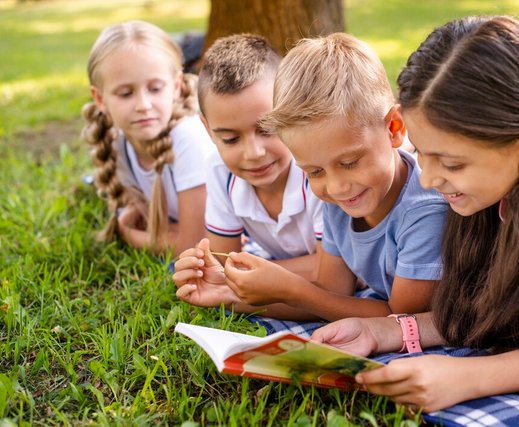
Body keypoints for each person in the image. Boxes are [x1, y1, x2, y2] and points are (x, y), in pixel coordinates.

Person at [311, 15, 519, 412]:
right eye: (422, 153)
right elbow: (478, 312)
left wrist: (463, 377)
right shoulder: (486, 189)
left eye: (450, 163)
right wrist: (378, 332)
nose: (429, 180)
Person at [181, 32, 448, 321]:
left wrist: (293, 289)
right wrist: (227, 295)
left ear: (394, 128)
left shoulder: (423, 210)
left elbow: (399, 318)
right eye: (314, 171)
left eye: (349, 162)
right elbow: (331, 296)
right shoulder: (338, 202)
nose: (335, 187)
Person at [172, 34, 325, 320]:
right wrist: (214, 271)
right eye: (230, 139)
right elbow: (223, 266)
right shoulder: (220, 172)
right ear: (207, 129)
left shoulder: (316, 170)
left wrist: (240, 272)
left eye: (266, 129)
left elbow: (332, 276)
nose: (253, 153)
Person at [81, 20, 215, 256]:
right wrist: (170, 231)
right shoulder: (118, 143)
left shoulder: (188, 138)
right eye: (125, 93)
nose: (143, 105)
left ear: (175, 86)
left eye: (155, 89)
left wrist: (130, 235)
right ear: (100, 99)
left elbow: (195, 247)